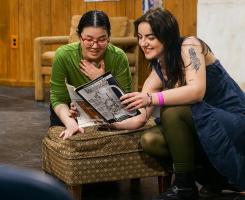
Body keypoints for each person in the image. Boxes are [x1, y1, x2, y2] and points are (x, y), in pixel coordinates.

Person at [111, 7, 245, 200]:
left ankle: (184, 188)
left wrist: (151, 98)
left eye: (150, 37)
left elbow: (196, 92)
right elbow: (140, 117)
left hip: (234, 122)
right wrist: (110, 122)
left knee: (172, 111)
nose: (143, 43)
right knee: (150, 141)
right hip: (204, 125)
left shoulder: (189, 46)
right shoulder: (158, 66)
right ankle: (216, 180)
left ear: (166, 35)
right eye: (140, 37)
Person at [50, 10, 132, 140]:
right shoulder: (64, 55)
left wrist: (101, 80)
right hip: (73, 111)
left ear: (109, 37)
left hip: (109, 110)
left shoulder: (118, 57)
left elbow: (125, 102)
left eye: (102, 40)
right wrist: (71, 123)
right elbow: (57, 98)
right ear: (79, 37)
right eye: (89, 39)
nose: (95, 46)